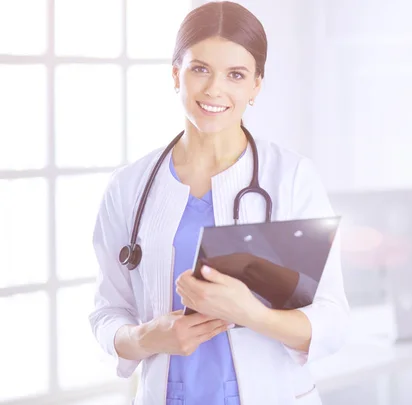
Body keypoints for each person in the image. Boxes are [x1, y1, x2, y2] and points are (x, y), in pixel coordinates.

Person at [88, 2, 350, 404]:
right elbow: (107, 315)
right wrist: (147, 337)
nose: (214, 89)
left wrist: (251, 314)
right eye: (200, 69)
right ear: (176, 75)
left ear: (256, 86)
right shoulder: (129, 187)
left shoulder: (292, 177)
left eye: (236, 75)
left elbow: (332, 321)